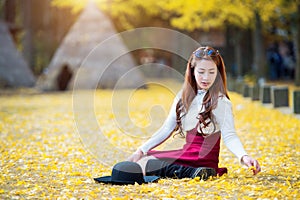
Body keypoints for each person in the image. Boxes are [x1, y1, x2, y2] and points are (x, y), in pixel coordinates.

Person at [127, 46, 261, 180]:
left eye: (211, 72)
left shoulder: (220, 101)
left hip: (204, 159)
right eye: (201, 71)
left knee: (146, 164)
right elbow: (167, 128)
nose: (206, 77)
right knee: (141, 160)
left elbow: (230, 135)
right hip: (187, 154)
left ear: (218, 73)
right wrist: (141, 150)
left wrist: (243, 156)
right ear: (192, 70)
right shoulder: (183, 97)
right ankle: (191, 171)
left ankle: (191, 172)